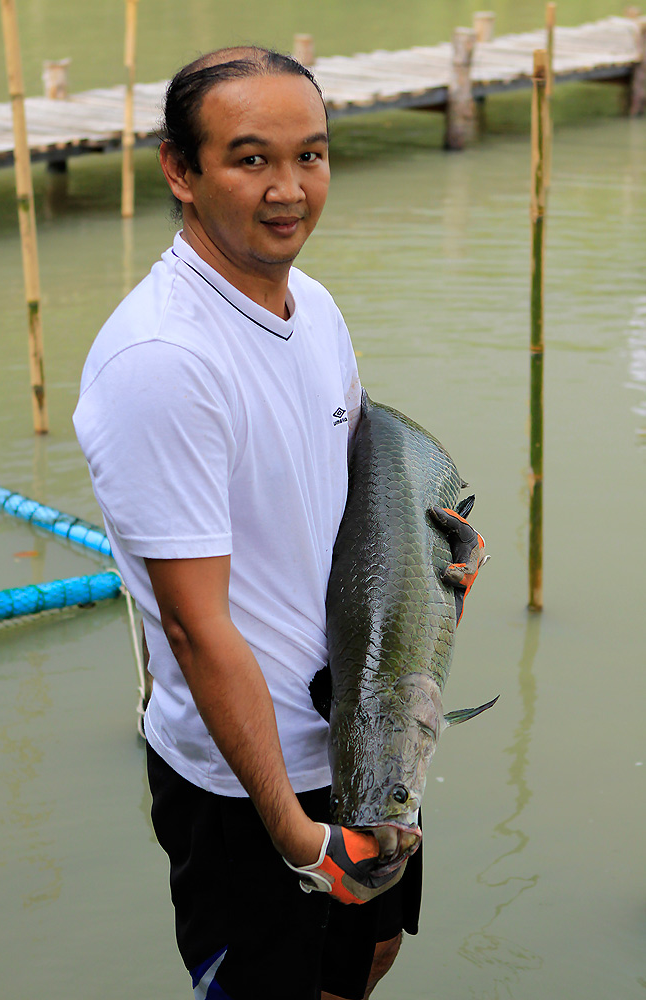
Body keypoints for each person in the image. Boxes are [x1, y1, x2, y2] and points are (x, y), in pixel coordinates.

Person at [73, 46, 485, 1000]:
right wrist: (296, 835)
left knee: (367, 957)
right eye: (251, 159)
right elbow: (193, 624)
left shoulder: (317, 310)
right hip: (249, 782)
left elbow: (351, 493)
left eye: (311, 155)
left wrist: (440, 564)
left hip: (368, 739)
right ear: (180, 169)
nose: (289, 190)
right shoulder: (163, 362)